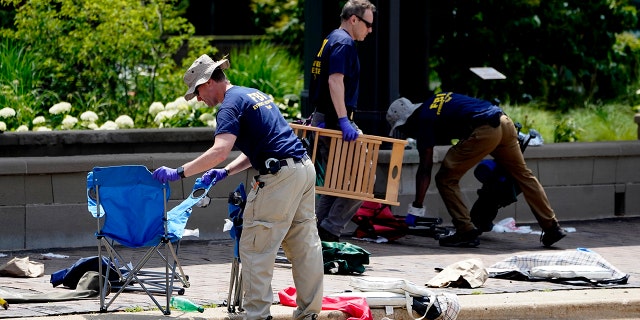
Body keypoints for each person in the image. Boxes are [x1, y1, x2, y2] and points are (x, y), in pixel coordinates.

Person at [152, 54, 323, 320]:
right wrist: (226, 172)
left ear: (208, 82)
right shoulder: (253, 94)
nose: (198, 98)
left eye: (197, 91)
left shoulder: (228, 106)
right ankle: (310, 314)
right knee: (304, 246)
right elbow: (263, 145)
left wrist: (178, 172)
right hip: (302, 169)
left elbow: (220, 150)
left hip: (279, 178)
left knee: (255, 247)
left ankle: (256, 315)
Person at [386, 92, 567, 248]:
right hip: (503, 122)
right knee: (523, 175)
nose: (407, 132)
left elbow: (425, 167)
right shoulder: (436, 101)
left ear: (408, 120)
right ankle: (552, 227)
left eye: (403, 128)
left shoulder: (423, 119)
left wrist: (417, 206)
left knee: (445, 178)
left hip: (485, 129)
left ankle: (465, 230)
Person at [308, 0, 376, 242]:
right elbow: (335, 81)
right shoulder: (343, 42)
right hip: (334, 120)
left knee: (337, 180)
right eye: (368, 24)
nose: (370, 30)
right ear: (354, 19)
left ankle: (318, 230)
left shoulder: (332, 38)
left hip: (326, 118)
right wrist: (343, 120)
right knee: (364, 178)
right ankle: (330, 228)